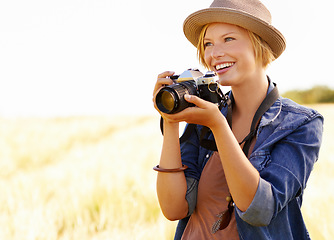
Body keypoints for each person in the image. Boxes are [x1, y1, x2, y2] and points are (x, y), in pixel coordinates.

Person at [152, 0, 324, 239]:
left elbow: (260, 210)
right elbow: (173, 209)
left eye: (228, 39)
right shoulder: (205, 115)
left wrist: (219, 126)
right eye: (208, 44)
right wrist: (170, 122)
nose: (214, 53)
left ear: (259, 44)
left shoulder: (300, 124)